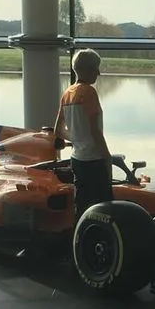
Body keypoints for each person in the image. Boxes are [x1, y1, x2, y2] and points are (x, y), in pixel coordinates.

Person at [54, 48, 113, 222]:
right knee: (103, 208)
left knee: (81, 205)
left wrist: (77, 138)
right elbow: (95, 131)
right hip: (94, 159)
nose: (99, 73)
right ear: (88, 69)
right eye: (96, 68)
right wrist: (107, 157)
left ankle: (79, 240)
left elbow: (58, 130)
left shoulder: (67, 94)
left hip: (77, 159)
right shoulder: (88, 92)